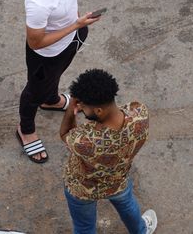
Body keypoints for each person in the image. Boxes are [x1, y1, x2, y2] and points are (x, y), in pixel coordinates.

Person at [16, 0, 102, 163]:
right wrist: (75, 25)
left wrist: (77, 25)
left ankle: (51, 100)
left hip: (70, 39)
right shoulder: (39, 2)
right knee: (33, 92)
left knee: (54, 79)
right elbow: (35, 42)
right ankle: (25, 130)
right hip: (47, 54)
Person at [60, 69, 157, 234]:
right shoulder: (140, 113)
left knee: (84, 227)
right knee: (128, 206)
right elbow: (125, 110)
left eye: (83, 106)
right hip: (117, 180)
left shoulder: (84, 141)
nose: (81, 108)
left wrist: (70, 110)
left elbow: (64, 134)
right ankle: (140, 230)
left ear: (98, 111)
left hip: (83, 188)